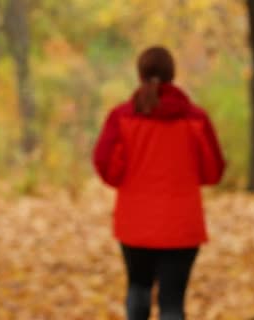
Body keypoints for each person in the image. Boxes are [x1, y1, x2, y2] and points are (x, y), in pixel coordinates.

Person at [92, 46, 226, 320]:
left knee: (138, 287)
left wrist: (126, 176)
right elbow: (213, 171)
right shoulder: (195, 119)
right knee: (173, 301)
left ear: (140, 74)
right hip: (182, 225)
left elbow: (106, 164)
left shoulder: (122, 117)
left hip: (135, 224)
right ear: (172, 75)